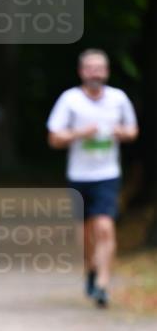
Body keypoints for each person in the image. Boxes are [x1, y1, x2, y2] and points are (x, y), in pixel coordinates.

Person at [47, 49, 139, 308]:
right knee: (87, 233)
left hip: (107, 174)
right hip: (79, 175)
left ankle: (102, 284)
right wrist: (79, 134)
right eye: (90, 68)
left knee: (105, 227)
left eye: (100, 68)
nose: (95, 73)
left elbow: (133, 131)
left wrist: (121, 132)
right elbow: (54, 138)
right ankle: (91, 269)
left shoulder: (118, 99)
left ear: (107, 71)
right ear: (81, 72)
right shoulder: (70, 100)